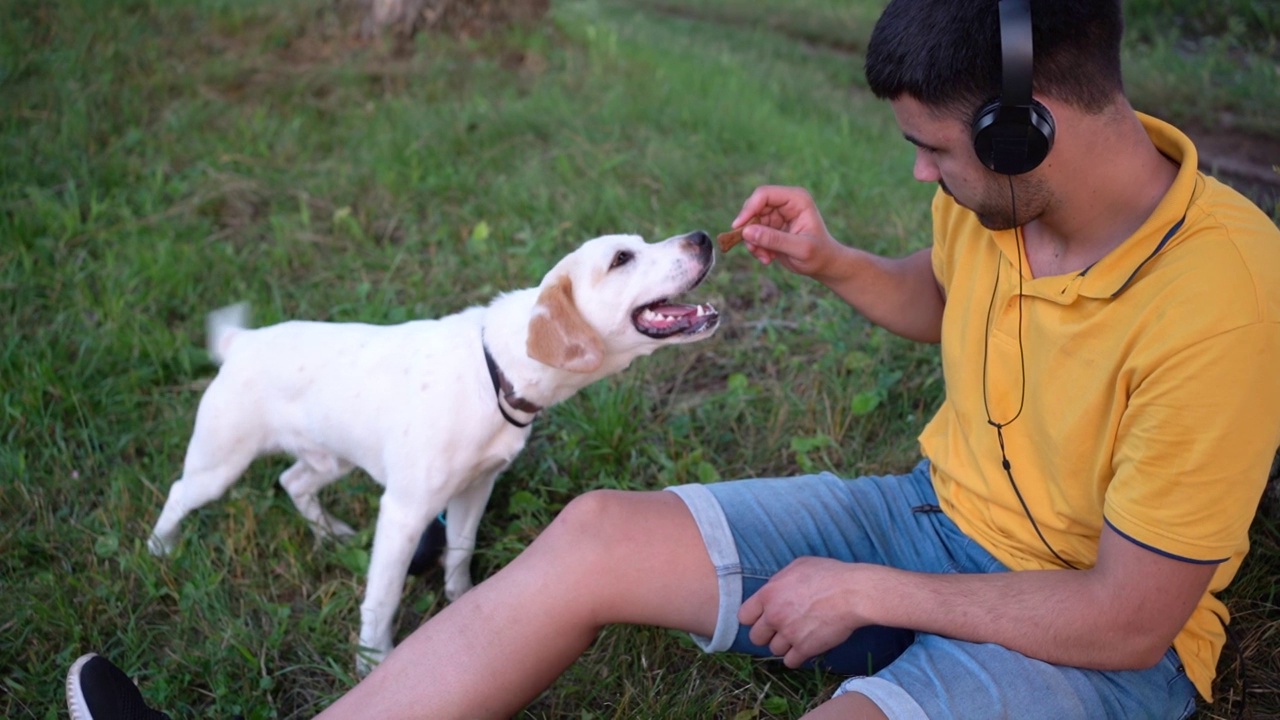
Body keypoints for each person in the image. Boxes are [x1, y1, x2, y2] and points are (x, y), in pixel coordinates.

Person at [67, 0, 1280, 718]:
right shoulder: (1000, 201)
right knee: (593, 530)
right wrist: (836, 264)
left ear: (1025, 125)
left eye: (929, 150)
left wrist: (868, 594)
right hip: (929, 516)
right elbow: (946, 297)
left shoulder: (1223, 297)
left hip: (1099, 639)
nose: (920, 175)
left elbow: (1127, 616)